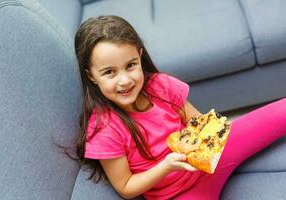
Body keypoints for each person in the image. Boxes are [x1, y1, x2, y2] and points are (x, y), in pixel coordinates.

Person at [73, 15, 286, 200]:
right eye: (109, 72)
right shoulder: (104, 129)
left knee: (278, 113)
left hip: (212, 157)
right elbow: (126, 187)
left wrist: (209, 133)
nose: (125, 80)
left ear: (139, 56)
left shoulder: (160, 85)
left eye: (131, 65)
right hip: (179, 193)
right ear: (91, 76)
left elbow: (197, 121)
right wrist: (167, 165)